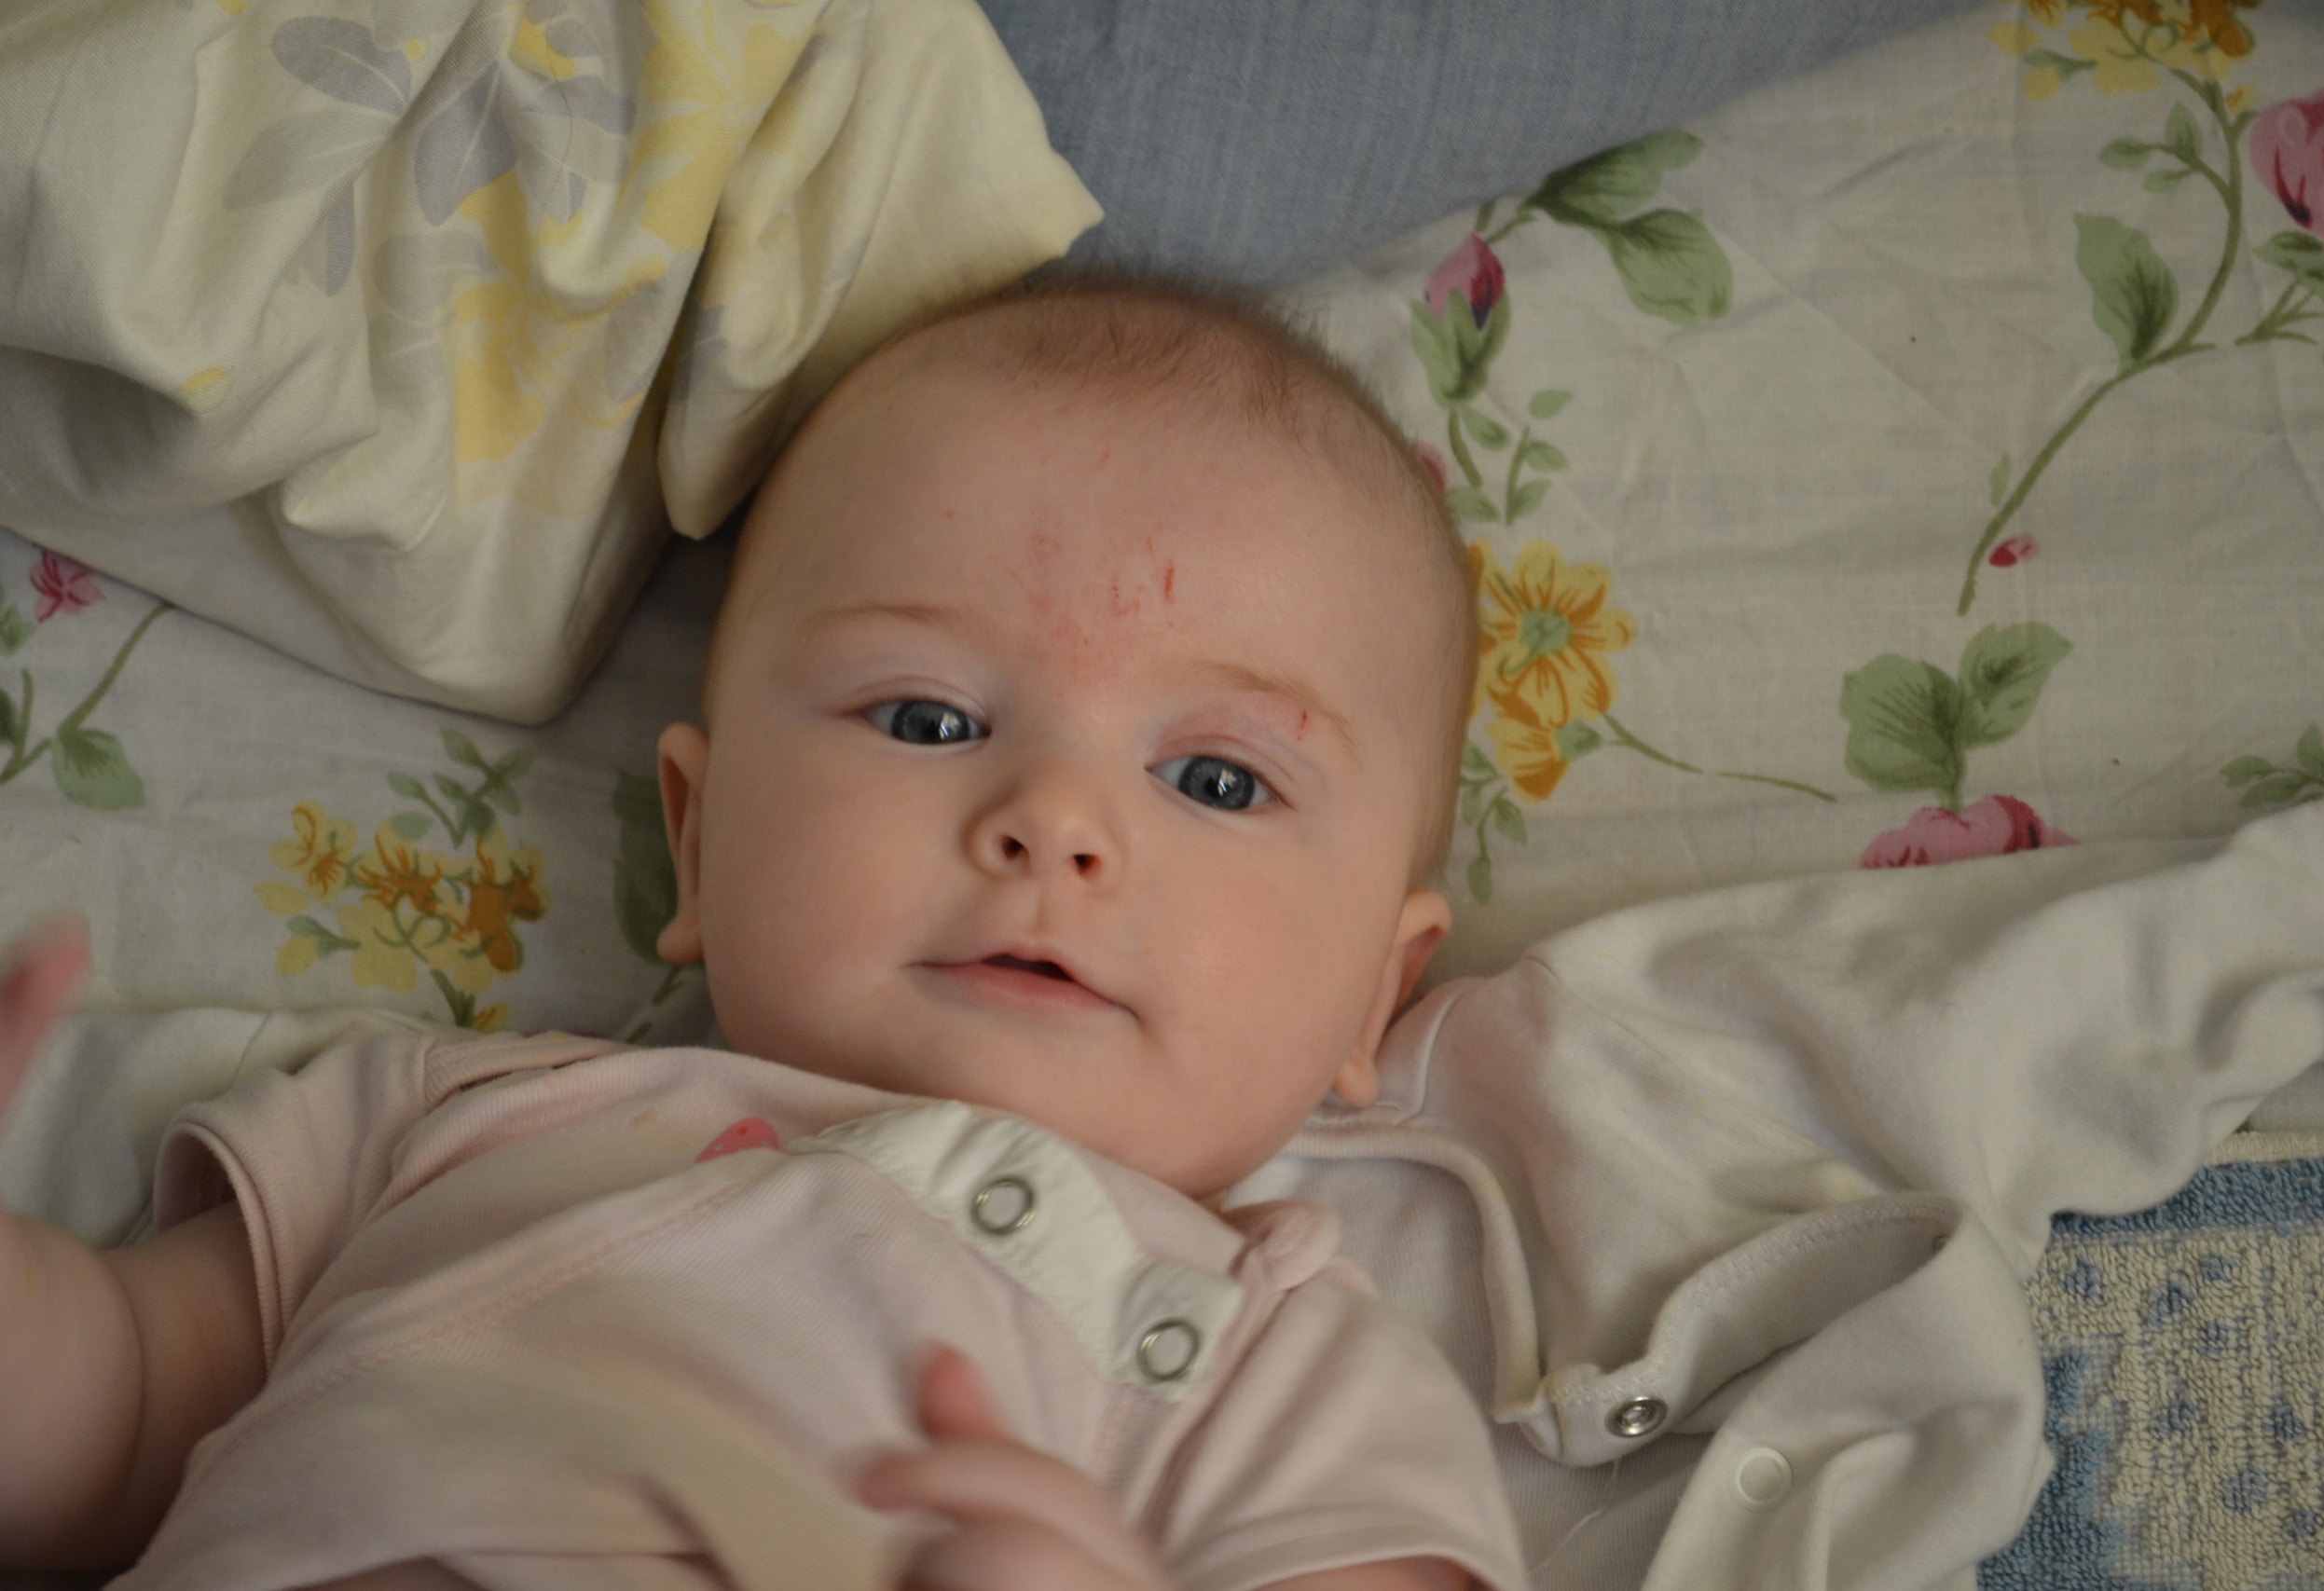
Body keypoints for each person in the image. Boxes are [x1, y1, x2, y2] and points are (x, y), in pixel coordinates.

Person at [0, 279, 1528, 1591]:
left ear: (1373, 995)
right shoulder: (446, 1120)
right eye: (927, 718)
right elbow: (117, 1424)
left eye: (1218, 780)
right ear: (699, 842)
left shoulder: (1292, 1378)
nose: (1056, 821)